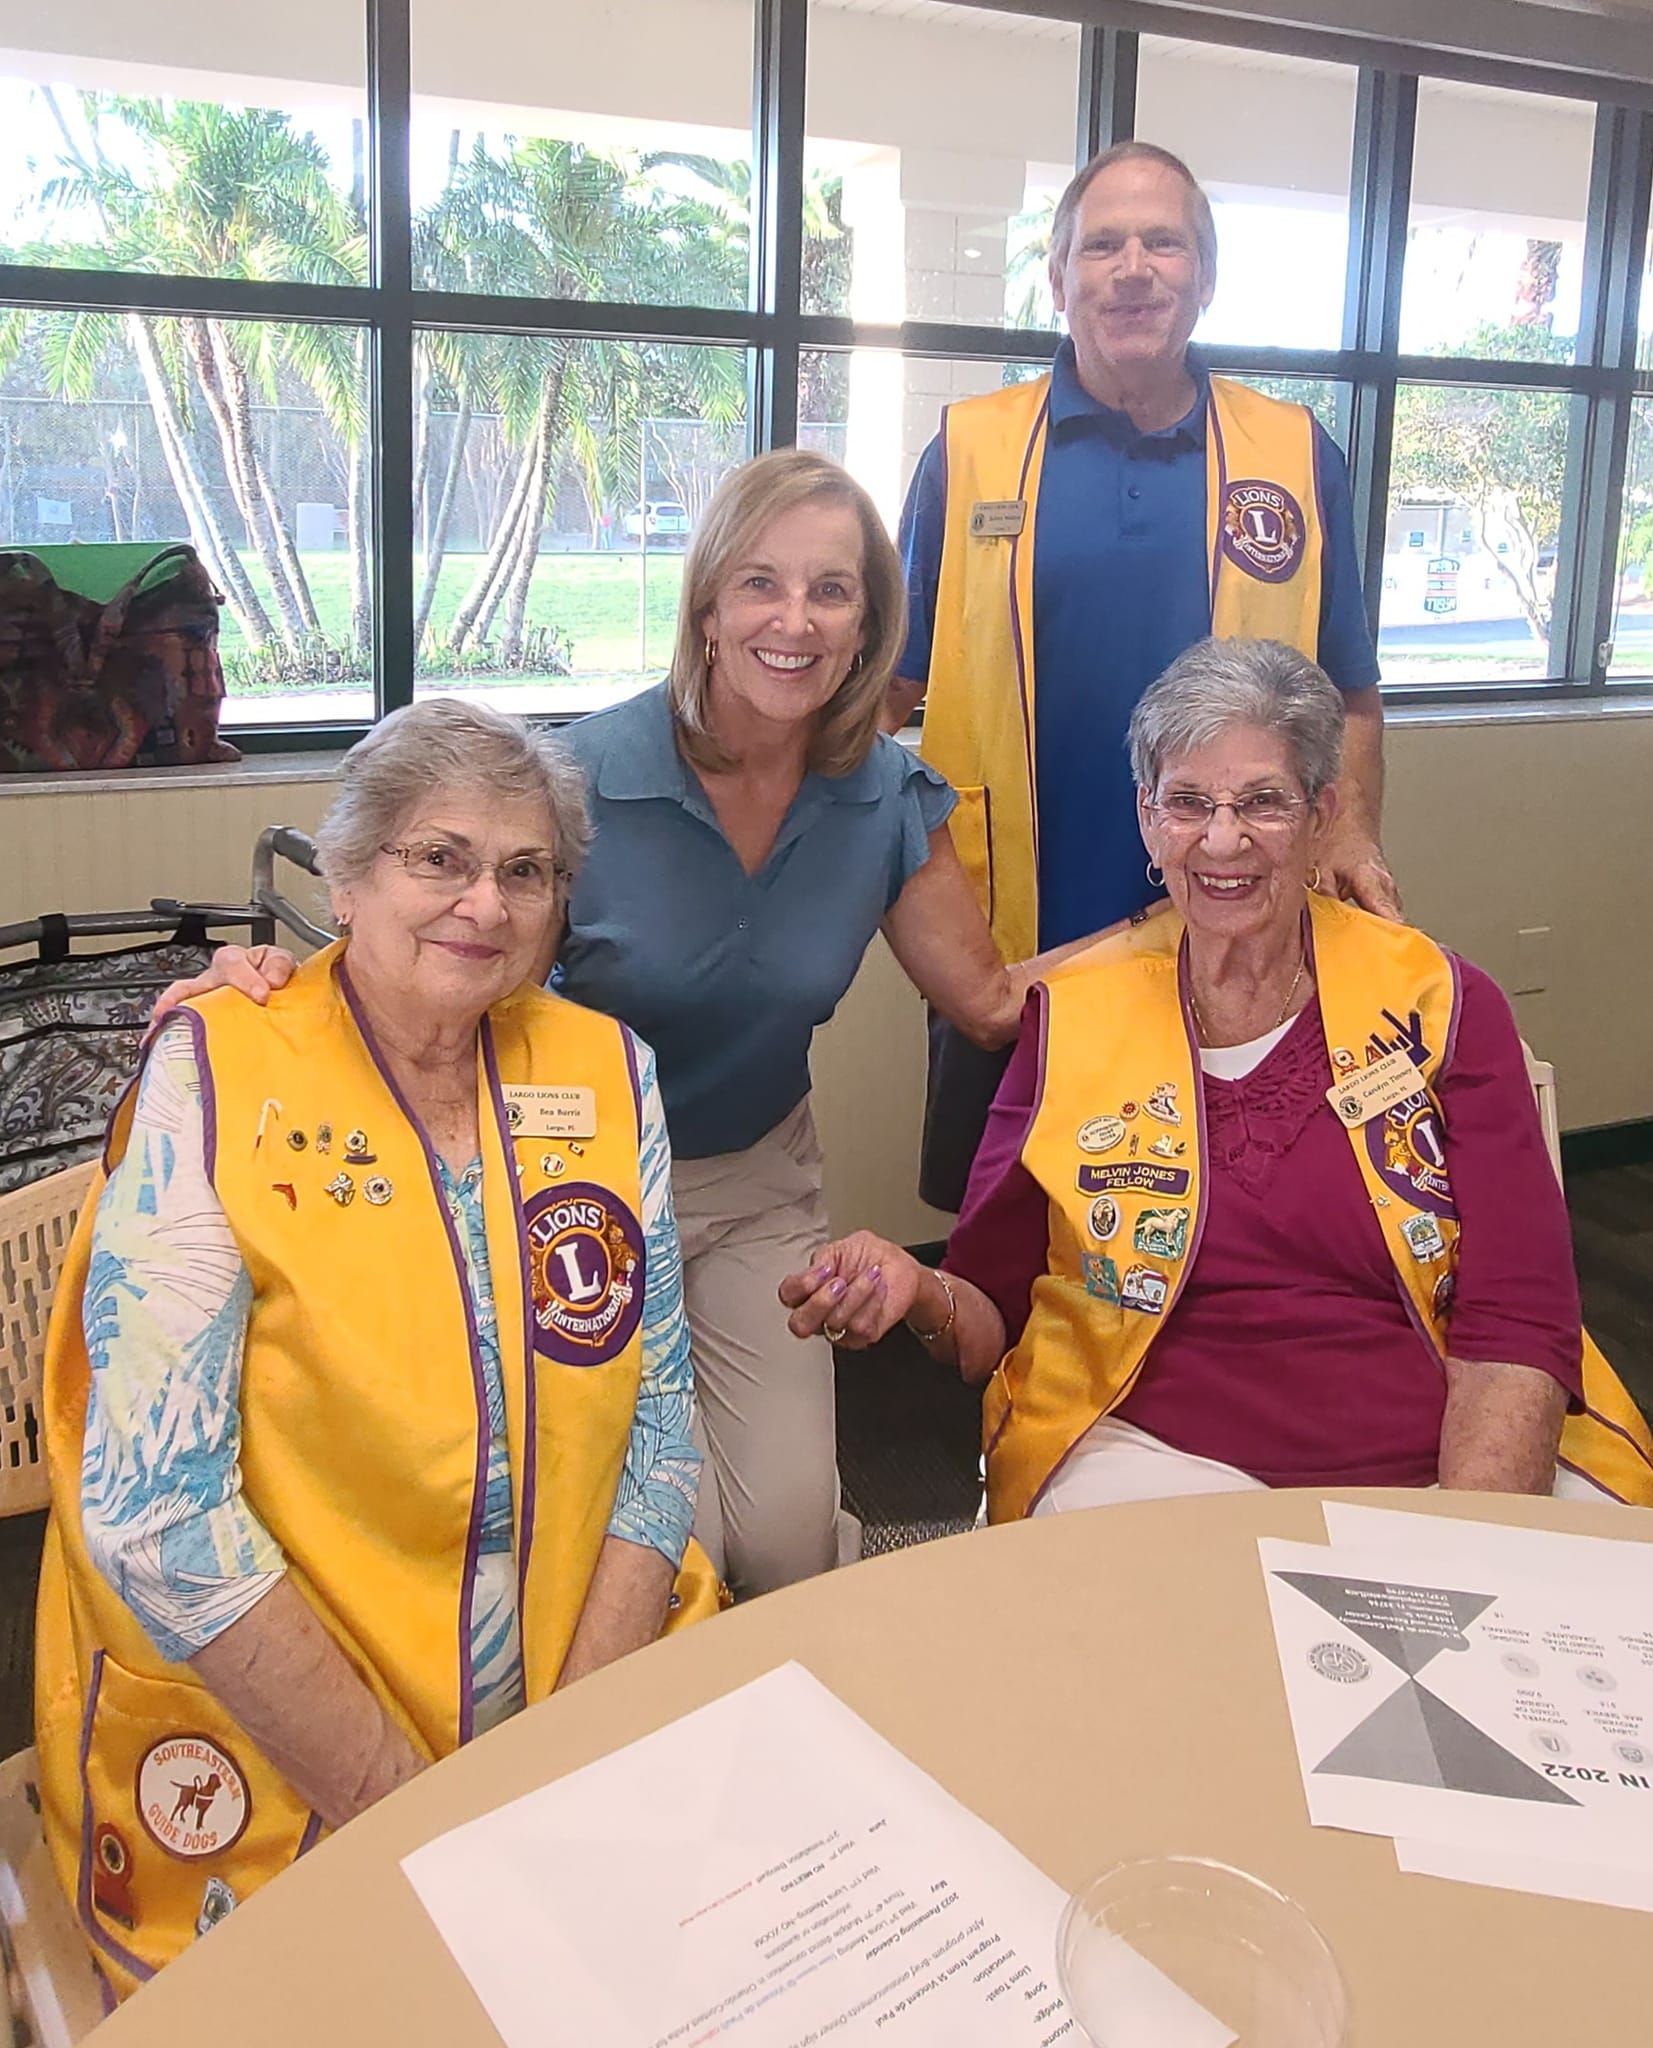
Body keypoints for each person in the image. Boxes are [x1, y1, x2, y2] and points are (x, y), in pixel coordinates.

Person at [155, 450, 1093, 1603]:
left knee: (789, 1543)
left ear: (868, 630)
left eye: (831, 591)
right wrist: (272, 990)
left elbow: (995, 1003)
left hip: (758, 1183)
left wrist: (1184, 926)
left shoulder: (887, 800)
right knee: (670, 1547)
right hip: (570, 1185)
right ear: (707, 607)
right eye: (761, 583)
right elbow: (446, 943)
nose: (793, 619)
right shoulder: (583, 774)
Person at [35, 700, 716, 1996]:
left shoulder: (608, 1073)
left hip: (573, 1671)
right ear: (345, 879)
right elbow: (156, 1513)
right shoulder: (222, 1070)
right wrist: (419, 1820)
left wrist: (567, 1746)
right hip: (307, 1744)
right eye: (437, 857)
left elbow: (663, 1422)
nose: (485, 904)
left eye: (527, 872)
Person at [781, 639, 1653, 1515]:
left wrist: (1466, 1544)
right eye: (1188, 802)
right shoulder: (1074, 1016)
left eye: (1263, 803)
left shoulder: (1440, 1001)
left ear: (1321, 814)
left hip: (1439, 1446)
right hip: (1155, 1453)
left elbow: (1519, 1311)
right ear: (1147, 820)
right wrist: (915, 1289)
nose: (1222, 838)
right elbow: (991, 1313)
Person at [892, 139, 1397, 1210]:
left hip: (1241, 918)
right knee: (1013, 1240)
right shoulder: (968, 451)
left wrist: (1351, 835)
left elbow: (1350, 690)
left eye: (1163, 243)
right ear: (1059, 278)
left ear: (1204, 277)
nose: (1133, 268)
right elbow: (885, 693)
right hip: (1021, 936)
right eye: (1102, 245)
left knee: (1241, 1214)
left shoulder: (1296, 455)